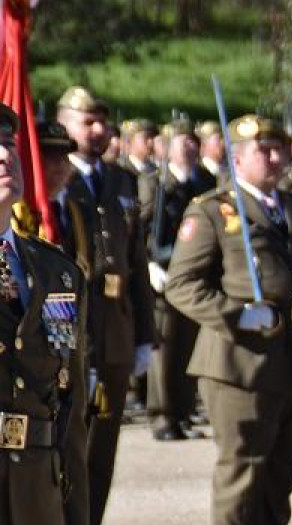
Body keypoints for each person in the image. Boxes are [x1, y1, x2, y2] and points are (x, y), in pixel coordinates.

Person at [165, 114, 292, 524]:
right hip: (241, 363)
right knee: (244, 475)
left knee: (280, 477)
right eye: (264, 150)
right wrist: (238, 316)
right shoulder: (212, 211)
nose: (276, 158)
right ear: (237, 159)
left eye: (280, 148)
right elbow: (182, 285)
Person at [57, 85, 157, 525]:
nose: (99, 130)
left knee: (102, 452)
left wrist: (145, 337)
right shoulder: (54, 179)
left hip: (115, 333)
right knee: (65, 451)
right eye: (87, 122)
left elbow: (136, 261)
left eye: (103, 121)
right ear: (64, 125)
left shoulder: (121, 180)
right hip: (69, 334)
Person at [0, 104, 90, 525]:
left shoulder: (58, 271)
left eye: (6, 144)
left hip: (38, 488)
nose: (5, 156)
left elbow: (71, 409)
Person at [139, 119, 217, 441]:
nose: (188, 147)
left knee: (188, 343)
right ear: (166, 148)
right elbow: (139, 228)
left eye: (191, 141)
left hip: (195, 273)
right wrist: (148, 264)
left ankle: (183, 411)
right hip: (164, 271)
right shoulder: (154, 182)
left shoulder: (205, 181)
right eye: (181, 141)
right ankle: (162, 414)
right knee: (166, 346)